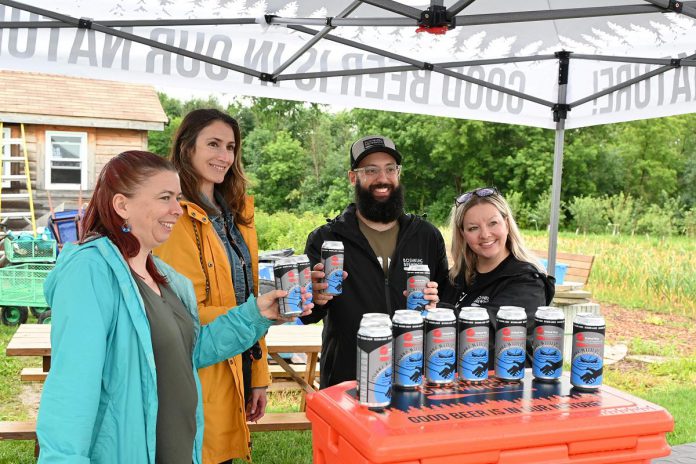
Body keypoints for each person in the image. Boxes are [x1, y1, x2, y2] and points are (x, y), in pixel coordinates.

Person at [36, 151, 311, 464]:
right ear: (122, 205)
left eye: (178, 197)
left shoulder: (168, 279)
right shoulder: (90, 270)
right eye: (164, 197)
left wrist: (257, 314)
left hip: (182, 450)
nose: (176, 210)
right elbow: (72, 388)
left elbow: (188, 353)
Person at [153, 109, 267, 464]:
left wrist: (258, 374)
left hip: (240, 362)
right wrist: (257, 314)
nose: (224, 156)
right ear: (187, 148)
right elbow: (179, 312)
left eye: (230, 147)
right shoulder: (171, 216)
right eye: (213, 144)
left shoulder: (238, 216)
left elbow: (251, 299)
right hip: (197, 372)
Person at [302, 135, 448, 388]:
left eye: (390, 169)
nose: (383, 179)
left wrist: (437, 304)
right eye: (371, 170)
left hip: (415, 377)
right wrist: (313, 297)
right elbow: (308, 314)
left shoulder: (427, 236)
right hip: (347, 378)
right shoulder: (325, 239)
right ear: (353, 177)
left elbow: (447, 301)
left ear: (398, 174)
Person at [441, 187, 555, 367]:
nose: (485, 234)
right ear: (463, 234)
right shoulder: (455, 278)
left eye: (493, 223)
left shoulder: (528, 282)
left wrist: (435, 312)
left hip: (503, 390)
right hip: (453, 385)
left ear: (507, 224)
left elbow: (485, 335)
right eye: (473, 228)